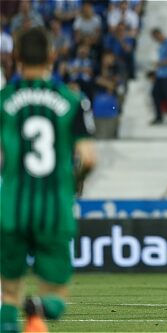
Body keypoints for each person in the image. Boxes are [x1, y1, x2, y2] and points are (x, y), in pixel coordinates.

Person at [0, 28, 96, 333]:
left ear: (15, 57)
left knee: (9, 295)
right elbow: (89, 157)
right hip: (54, 207)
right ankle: (41, 307)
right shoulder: (71, 100)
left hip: (14, 206)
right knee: (55, 297)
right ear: (52, 56)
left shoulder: (4, 100)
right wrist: (73, 180)